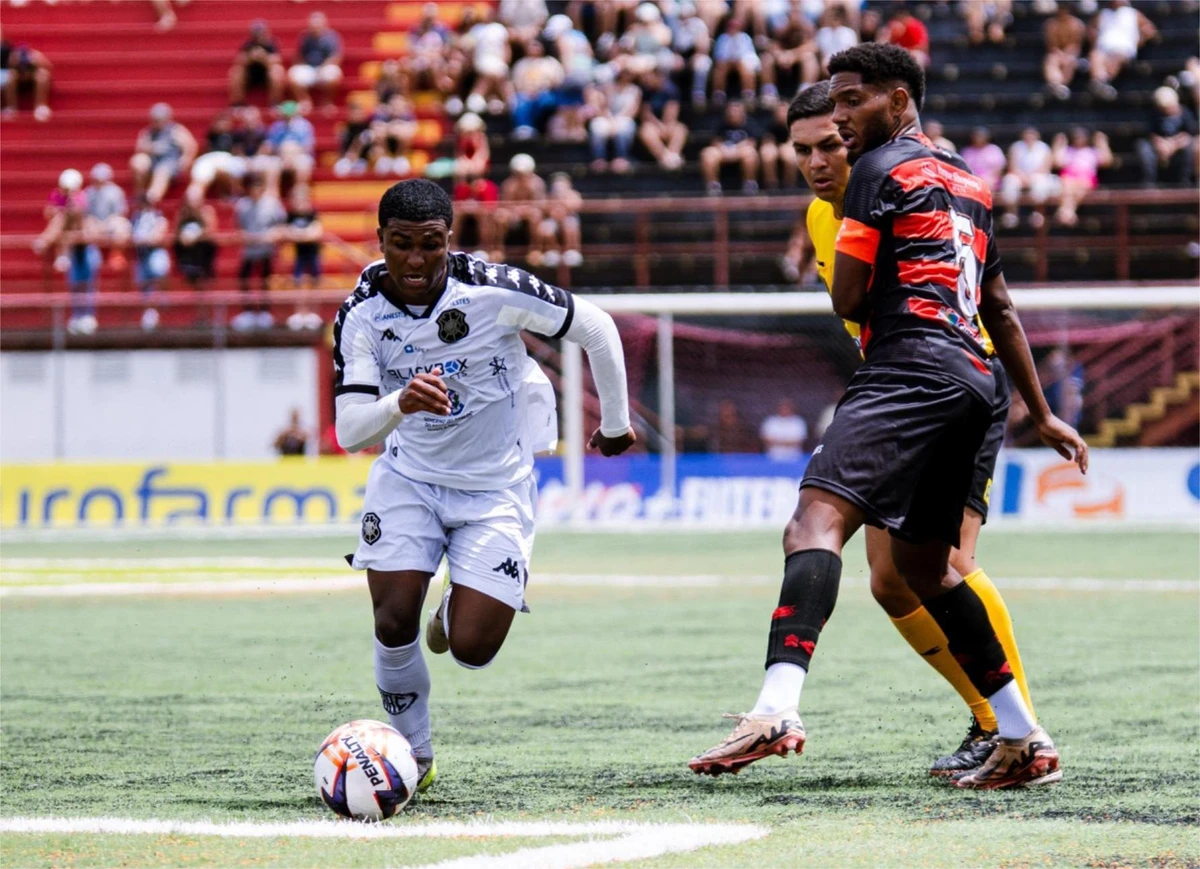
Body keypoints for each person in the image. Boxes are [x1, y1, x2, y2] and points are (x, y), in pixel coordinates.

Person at [689, 46, 1087, 790]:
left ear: (889, 107)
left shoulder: (879, 174)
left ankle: (780, 706)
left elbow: (851, 301)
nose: (824, 150)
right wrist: (1045, 410)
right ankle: (1022, 735)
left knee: (816, 524)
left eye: (839, 128)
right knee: (911, 573)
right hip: (967, 373)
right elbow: (993, 303)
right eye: (806, 145)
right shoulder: (959, 180)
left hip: (912, 368)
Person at [770, 81, 1049, 777]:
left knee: (944, 564)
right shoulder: (819, 218)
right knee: (893, 581)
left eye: (831, 144)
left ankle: (1012, 727)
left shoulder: (899, 185)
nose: (819, 161)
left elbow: (986, 299)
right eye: (803, 150)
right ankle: (998, 722)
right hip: (899, 383)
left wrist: (1035, 407)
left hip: (951, 383)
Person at [333, 178, 634, 792]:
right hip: (409, 481)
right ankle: (414, 760)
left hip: (496, 488)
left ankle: (455, 603)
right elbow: (347, 429)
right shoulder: (360, 313)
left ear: (450, 239)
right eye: (401, 245)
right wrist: (399, 402)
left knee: (471, 647)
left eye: (430, 245)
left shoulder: (493, 290)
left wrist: (616, 423)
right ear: (381, 242)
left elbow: (596, 327)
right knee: (393, 622)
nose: (416, 261)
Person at [234, 173, 286, 331]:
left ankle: (264, 311)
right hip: (249, 249)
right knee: (244, 278)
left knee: (265, 280)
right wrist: (245, 236)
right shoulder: (242, 205)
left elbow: (281, 224)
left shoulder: (272, 204)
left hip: (266, 249)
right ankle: (247, 311)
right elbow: (239, 227)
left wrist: (272, 235)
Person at [1087, 0, 1156, 102]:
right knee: (1095, 55)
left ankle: (1104, 82)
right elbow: (1091, 30)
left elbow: (1150, 30)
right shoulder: (1103, 14)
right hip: (1103, 49)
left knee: (1116, 57)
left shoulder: (1133, 13)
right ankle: (1100, 83)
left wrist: (1138, 41)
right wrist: (1095, 40)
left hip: (1124, 50)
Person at [130, 102, 198, 205]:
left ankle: (151, 198)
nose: (157, 122)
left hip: (169, 162)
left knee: (161, 172)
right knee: (138, 161)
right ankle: (139, 194)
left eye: (160, 119)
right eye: (155, 120)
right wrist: (151, 148)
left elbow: (191, 145)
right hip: (153, 160)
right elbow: (139, 148)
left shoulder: (176, 130)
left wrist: (186, 159)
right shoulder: (148, 132)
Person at [497, 153, 553, 265]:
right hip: (513, 214)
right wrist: (516, 211)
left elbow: (540, 205)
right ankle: (498, 250)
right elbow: (504, 204)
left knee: (535, 215)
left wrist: (524, 209)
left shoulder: (537, 184)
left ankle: (535, 250)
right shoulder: (509, 184)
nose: (521, 175)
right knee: (500, 216)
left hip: (531, 213)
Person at [1052, 126, 1112, 226]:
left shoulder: (1092, 151)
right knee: (1067, 183)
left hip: (1086, 178)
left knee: (1080, 184)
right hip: (1069, 177)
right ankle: (1069, 213)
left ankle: (1065, 211)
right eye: (1076, 137)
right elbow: (1056, 162)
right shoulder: (1068, 150)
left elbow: (1107, 161)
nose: (1079, 139)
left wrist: (1102, 143)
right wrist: (1058, 144)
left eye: (1081, 137)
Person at [999, 127, 1059, 229]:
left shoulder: (1044, 148)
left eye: (1032, 134)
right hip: (1019, 175)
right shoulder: (1016, 147)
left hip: (1038, 175)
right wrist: (1022, 177)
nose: (1029, 137)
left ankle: (1037, 213)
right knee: (1009, 181)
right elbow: (1012, 166)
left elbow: (1045, 167)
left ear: (1037, 136)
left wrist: (1030, 177)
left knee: (1039, 184)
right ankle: (1011, 213)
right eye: (1027, 134)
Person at [1137, 86, 1197, 187]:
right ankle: (1149, 182)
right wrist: (1159, 143)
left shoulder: (1185, 113)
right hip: (1159, 145)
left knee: (1191, 145)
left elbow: (1189, 133)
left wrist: (1174, 144)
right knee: (1143, 147)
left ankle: (1184, 181)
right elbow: (1149, 132)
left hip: (1178, 144)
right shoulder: (1155, 113)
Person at [700, 99, 760, 194]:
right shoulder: (721, 124)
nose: (733, 114)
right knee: (707, 153)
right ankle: (713, 185)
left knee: (751, 153)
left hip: (741, 151)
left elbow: (752, 143)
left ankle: (749, 183)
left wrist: (735, 149)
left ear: (742, 113)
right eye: (731, 111)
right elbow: (715, 141)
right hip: (723, 151)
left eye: (736, 111)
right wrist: (725, 150)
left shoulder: (750, 124)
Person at [129, 196, 171, 331]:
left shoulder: (158, 217)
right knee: (143, 282)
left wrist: (148, 239)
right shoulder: (136, 218)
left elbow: (159, 235)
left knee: (158, 269)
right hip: (141, 254)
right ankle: (149, 311)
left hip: (154, 251)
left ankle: (161, 302)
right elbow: (132, 236)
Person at [285, 185, 323, 331]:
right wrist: (304, 235)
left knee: (314, 282)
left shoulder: (312, 214)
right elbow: (285, 231)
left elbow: (316, 232)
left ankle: (314, 313)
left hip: (313, 253)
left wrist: (298, 235)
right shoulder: (291, 215)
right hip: (299, 255)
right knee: (299, 282)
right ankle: (300, 313)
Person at [289, 11, 343, 113]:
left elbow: (336, 56)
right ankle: (304, 100)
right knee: (293, 74)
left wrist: (323, 67)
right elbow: (299, 55)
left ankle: (327, 101)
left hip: (325, 67)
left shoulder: (332, 37)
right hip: (309, 67)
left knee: (334, 74)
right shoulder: (305, 37)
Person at [637, 67, 687, 170]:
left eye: (649, 77)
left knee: (681, 129)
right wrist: (658, 125)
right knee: (645, 131)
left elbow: (672, 112)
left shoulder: (671, 90)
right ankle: (665, 157)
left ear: (658, 77)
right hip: (653, 124)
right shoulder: (646, 91)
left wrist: (665, 126)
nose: (646, 79)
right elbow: (646, 113)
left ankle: (674, 154)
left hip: (668, 122)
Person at [173, 186, 218, 299]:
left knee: (203, 282)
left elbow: (211, 230)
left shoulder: (207, 212)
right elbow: (177, 232)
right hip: (187, 253)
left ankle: (204, 312)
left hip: (203, 254)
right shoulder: (183, 214)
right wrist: (183, 238)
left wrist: (195, 238)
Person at [84, 163, 131, 269]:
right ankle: (93, 255)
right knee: (87, 225)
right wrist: (95, 223)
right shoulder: (88, 192)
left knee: (122, 226)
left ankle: (116, 254)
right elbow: (86, 213)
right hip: (94, 222)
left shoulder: (116, 191)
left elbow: (120, 213)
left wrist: (105, 224)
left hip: (111, 221)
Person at [229, 20, 285, 106]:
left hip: (267, 76)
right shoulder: (248, 44)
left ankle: (275, 102)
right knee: (236, 72)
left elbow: (278, 60)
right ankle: (238, 103)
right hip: (250, 76)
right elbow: (239, 60)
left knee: (277, 71)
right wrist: (250, 57)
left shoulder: (271, 44)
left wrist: (264, 58)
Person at [263, 100, 315, 186]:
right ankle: (272, 193)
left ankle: (299, 190)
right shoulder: (276, 127)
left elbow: (307, 147)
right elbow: (271, 146)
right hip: (280, 156)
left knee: (303, 164)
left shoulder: (304, 126)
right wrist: (283, 154)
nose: (288, 118)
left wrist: (291, 155)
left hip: (298, 156)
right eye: (286, 115)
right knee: (270, 165)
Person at [0, 35, 52, 121]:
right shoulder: (12, 57)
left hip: (33, 79)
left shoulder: (36, 55)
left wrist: (37, 62)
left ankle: (40, 106)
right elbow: (6, 71)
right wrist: (13, 63)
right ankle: (11, 107)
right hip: (17, 81)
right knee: (10, 76)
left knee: (42, 74)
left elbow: (49, 69)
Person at [712, 16, 761, 105]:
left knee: (745, 67)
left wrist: (737, 61)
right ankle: (719, 94)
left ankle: (748, 94)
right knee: (720, 67)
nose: (733, 30)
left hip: (743, 64)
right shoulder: (722, 38)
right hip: (726, 64)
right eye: (731, 27)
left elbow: (748, 56)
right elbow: (719, 57)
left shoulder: (745, 38)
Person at [1043, 2, 1085, 101]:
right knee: (1051, 60)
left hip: (1072, 53)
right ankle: (1055, 84)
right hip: (1056, 52)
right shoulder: (1051, 24)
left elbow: (1076, 45)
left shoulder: (1077, 24)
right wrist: (1059, 53)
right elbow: (1052, 45)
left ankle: (1062, 86)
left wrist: (1067, 53)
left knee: (1070, 61)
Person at [541, 172, 584, 268]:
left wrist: (562, 205)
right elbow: (545, 208)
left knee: (570, 226)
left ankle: (572, 251)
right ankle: (552, 251)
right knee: (546, 228)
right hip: (553, 220)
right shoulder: (549, 196)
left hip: (569, 218)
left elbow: (576, 206)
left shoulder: (574, 194)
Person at [760, 100, 797, 190]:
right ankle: (771, 185)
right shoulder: (768, 123)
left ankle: (789, 185)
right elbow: (767, 140)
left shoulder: (794, 123)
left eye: (784, 111)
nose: (781, 113)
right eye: (779, 111)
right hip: (773, 147)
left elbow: (793, 140)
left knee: (789, 156)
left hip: (788, 147)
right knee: (768, 154)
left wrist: (785, 147)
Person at [880, 4, 929, 68]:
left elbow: (923, 47)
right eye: (898, 15)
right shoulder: (891, 26)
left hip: (914, 54)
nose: (900, 17)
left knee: (917, 56)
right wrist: (887, 34)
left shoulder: (915, 26)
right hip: (898, 53)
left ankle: (916, 77)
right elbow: (881, 45)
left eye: (902, 14)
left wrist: (904, 51)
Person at [960, 126, 1006, 192]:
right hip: (971, 178)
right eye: (976, 136)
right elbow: (963, 168)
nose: (979, 138)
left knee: (987, 182)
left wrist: (992, 177)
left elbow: (999, 167)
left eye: (981, 136)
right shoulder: (967, 151)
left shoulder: (994, 149)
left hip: (991, 178)